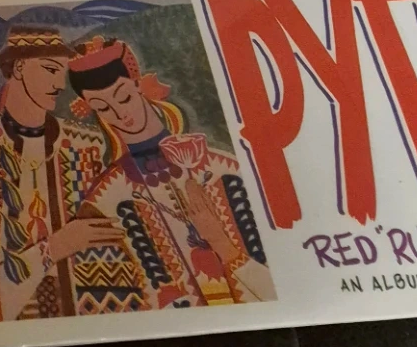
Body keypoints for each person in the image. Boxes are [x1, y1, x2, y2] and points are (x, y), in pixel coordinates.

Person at [0, 25, 128, 323]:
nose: (59, 84)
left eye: (62, 72)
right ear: (18, 67)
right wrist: (55, 247)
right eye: (49, 69)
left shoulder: (85, 144)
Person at [65, 36, 275, 309]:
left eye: (124, 97)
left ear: (139, 86)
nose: (120, 113)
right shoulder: (105, 198)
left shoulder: (225, 169)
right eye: (103, 108)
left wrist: (222, 244)